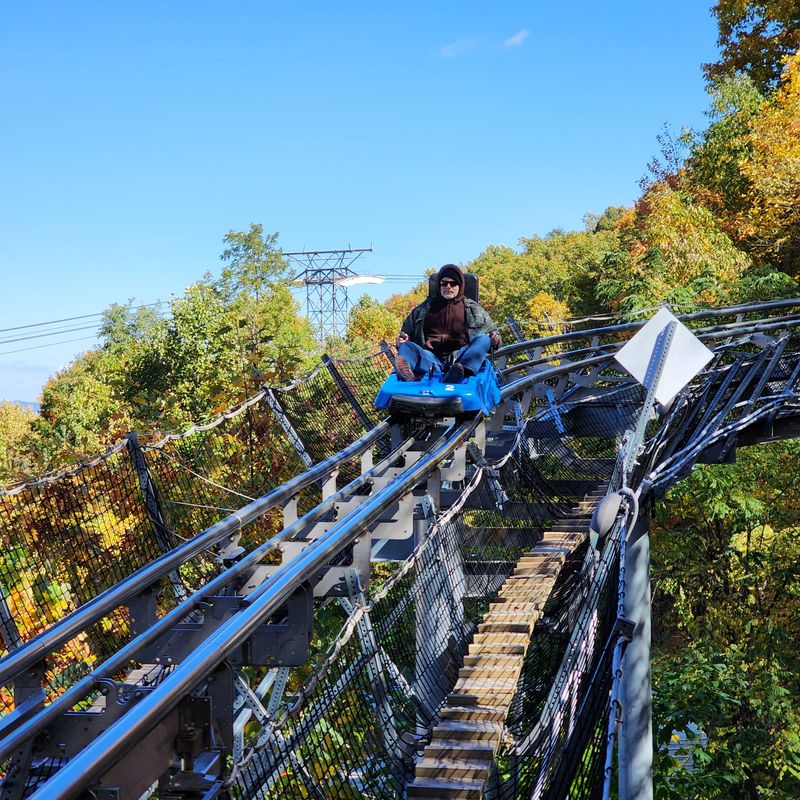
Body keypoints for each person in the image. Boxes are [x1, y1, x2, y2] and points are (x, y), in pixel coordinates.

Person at [394, 264, 501, 383]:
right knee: (406, 346)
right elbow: (405, 333)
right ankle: (406, 375)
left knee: (484, 339)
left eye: (453, 283)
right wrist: (402, 339)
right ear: (439, 285)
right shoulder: (423, 309)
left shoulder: (474, 309)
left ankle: (459, 373)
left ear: (460, 285)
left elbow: (495, 336)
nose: (448, 286)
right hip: (430, 359)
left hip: (461, 358)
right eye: (444, 283)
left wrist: (495, 339)